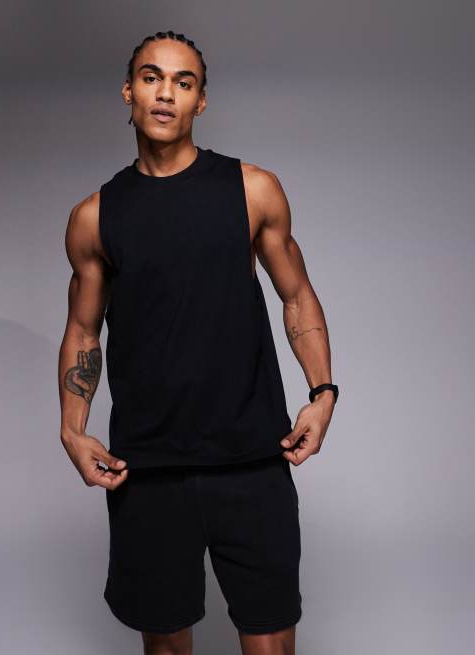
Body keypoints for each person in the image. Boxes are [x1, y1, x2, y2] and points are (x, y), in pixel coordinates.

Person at [58, 30, 338, 655]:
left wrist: (323, 394)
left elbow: (297, 294)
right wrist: (73, 429)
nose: (166, 93)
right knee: (164, 646)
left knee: (270, 644)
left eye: (183, 83)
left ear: (200, 101)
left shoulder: (252, 189)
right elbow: (83, 329)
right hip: (148, 470)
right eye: (152, 78)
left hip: (252, 460)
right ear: (129, 91)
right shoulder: (94, 217)